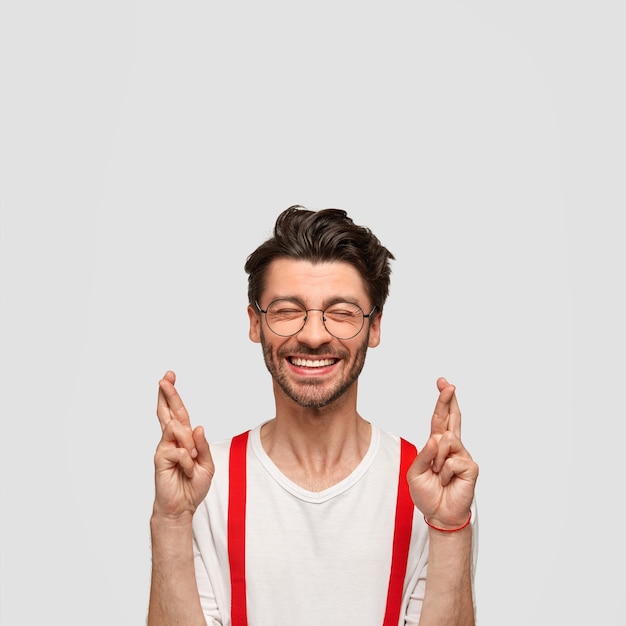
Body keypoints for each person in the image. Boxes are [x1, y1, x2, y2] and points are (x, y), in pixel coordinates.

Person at [148, 206, 479, 626]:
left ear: (374, 327)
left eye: (342, 312)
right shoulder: (202, 484)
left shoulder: (429, 487)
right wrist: (172, 521)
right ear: (255, 323)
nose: (314, 334)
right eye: (287, 310)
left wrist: (449, 527)